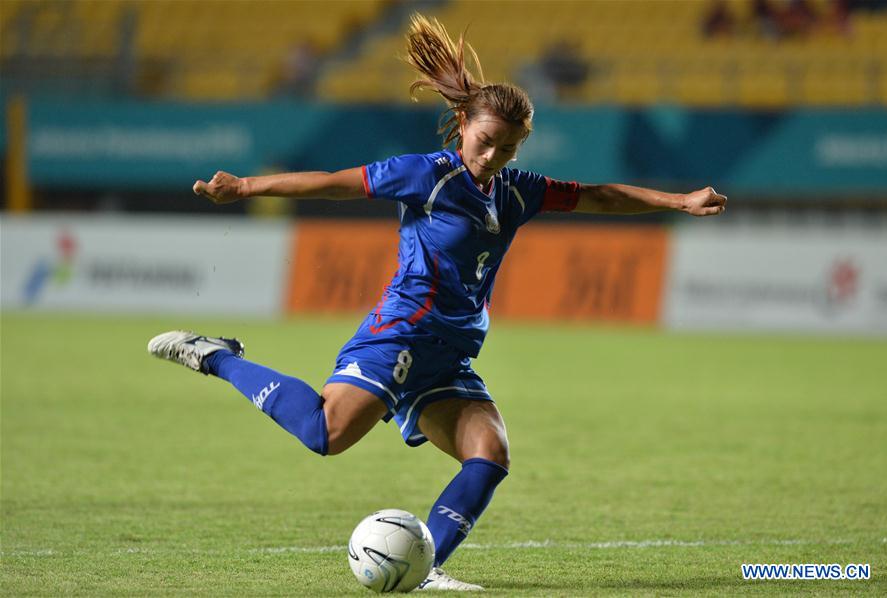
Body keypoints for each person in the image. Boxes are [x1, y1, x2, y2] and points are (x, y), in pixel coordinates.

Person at [148, 13, 727, 592]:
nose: (492, 155)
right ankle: (217, 356)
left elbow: (600, 195)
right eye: (484, 141)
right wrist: (246, 187)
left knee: (490, 453)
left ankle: (427, 570)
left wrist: (678, 201)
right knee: (326, 435)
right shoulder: (427, 175)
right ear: (461, 125)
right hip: (402, 334)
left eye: (507, 147)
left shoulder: (519, 191)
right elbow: (334, 182)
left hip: (451, 353)